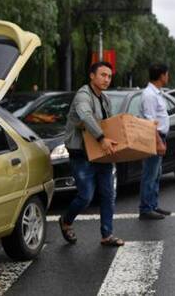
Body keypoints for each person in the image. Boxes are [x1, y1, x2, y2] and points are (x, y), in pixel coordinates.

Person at [58, 61, 124, 247]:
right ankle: (66, 221)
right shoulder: (83, 96)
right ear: (92, 76)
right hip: (81, 154)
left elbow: (109, 123)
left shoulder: (105, 99)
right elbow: (86, 116)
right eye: (103, 75)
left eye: (109, 76)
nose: (106, 79)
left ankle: (107, 235)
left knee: (108, 194)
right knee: (86, 196)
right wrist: (102, 138)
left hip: (101, 154)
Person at [138, 63, 171, 220]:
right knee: (150, 175)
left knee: (156, 174)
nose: (168, 77)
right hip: (152, 138)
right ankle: (145, 209)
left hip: (159, 136)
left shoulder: (157, 93)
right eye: (167, 74)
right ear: (162, 75)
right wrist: (158, 141)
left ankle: (153, 205)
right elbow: (150, 121)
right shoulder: (149, 95)